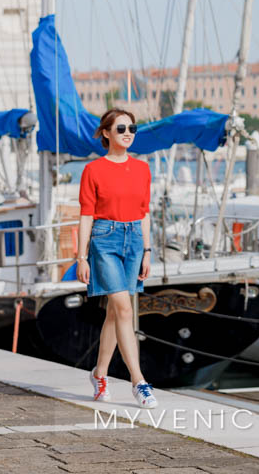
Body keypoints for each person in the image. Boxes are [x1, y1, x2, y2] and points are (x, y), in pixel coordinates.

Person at [77, 108, 158, 408]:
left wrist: (148, 252)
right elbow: (86, 215)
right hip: (105, 239)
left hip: (135, 240)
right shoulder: (93, 170)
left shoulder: (142, 169)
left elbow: (144, 213)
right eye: (121, 128)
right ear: (107, 133)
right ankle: (139, 381)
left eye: (132, 128)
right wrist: (81, 256)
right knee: (124, 309)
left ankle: (100, 374)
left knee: (115, 311)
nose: (128, 133)